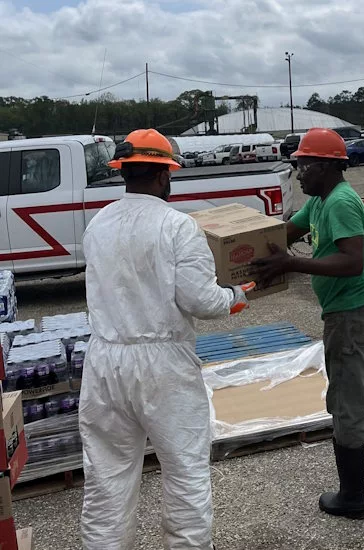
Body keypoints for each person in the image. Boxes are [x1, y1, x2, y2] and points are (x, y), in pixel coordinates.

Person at [79, 129, 251, 549]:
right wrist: (238, 295)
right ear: (162, 176)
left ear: (124, 173)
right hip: (164, 366)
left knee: (107, 477)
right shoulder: (178, 227)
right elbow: (201, 300)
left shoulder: (98, 224)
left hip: (104, 361)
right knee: (185, 472)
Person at [253, 128, 364, 520]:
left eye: (304, 164)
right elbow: (288, 232)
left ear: (328, 166)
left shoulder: (339, 203)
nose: (298, 172)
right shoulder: (320, 201)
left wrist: (291, 263)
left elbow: (351, 262)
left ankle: (353, 498)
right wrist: (243, 247)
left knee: (346, 403)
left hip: (355, 313)